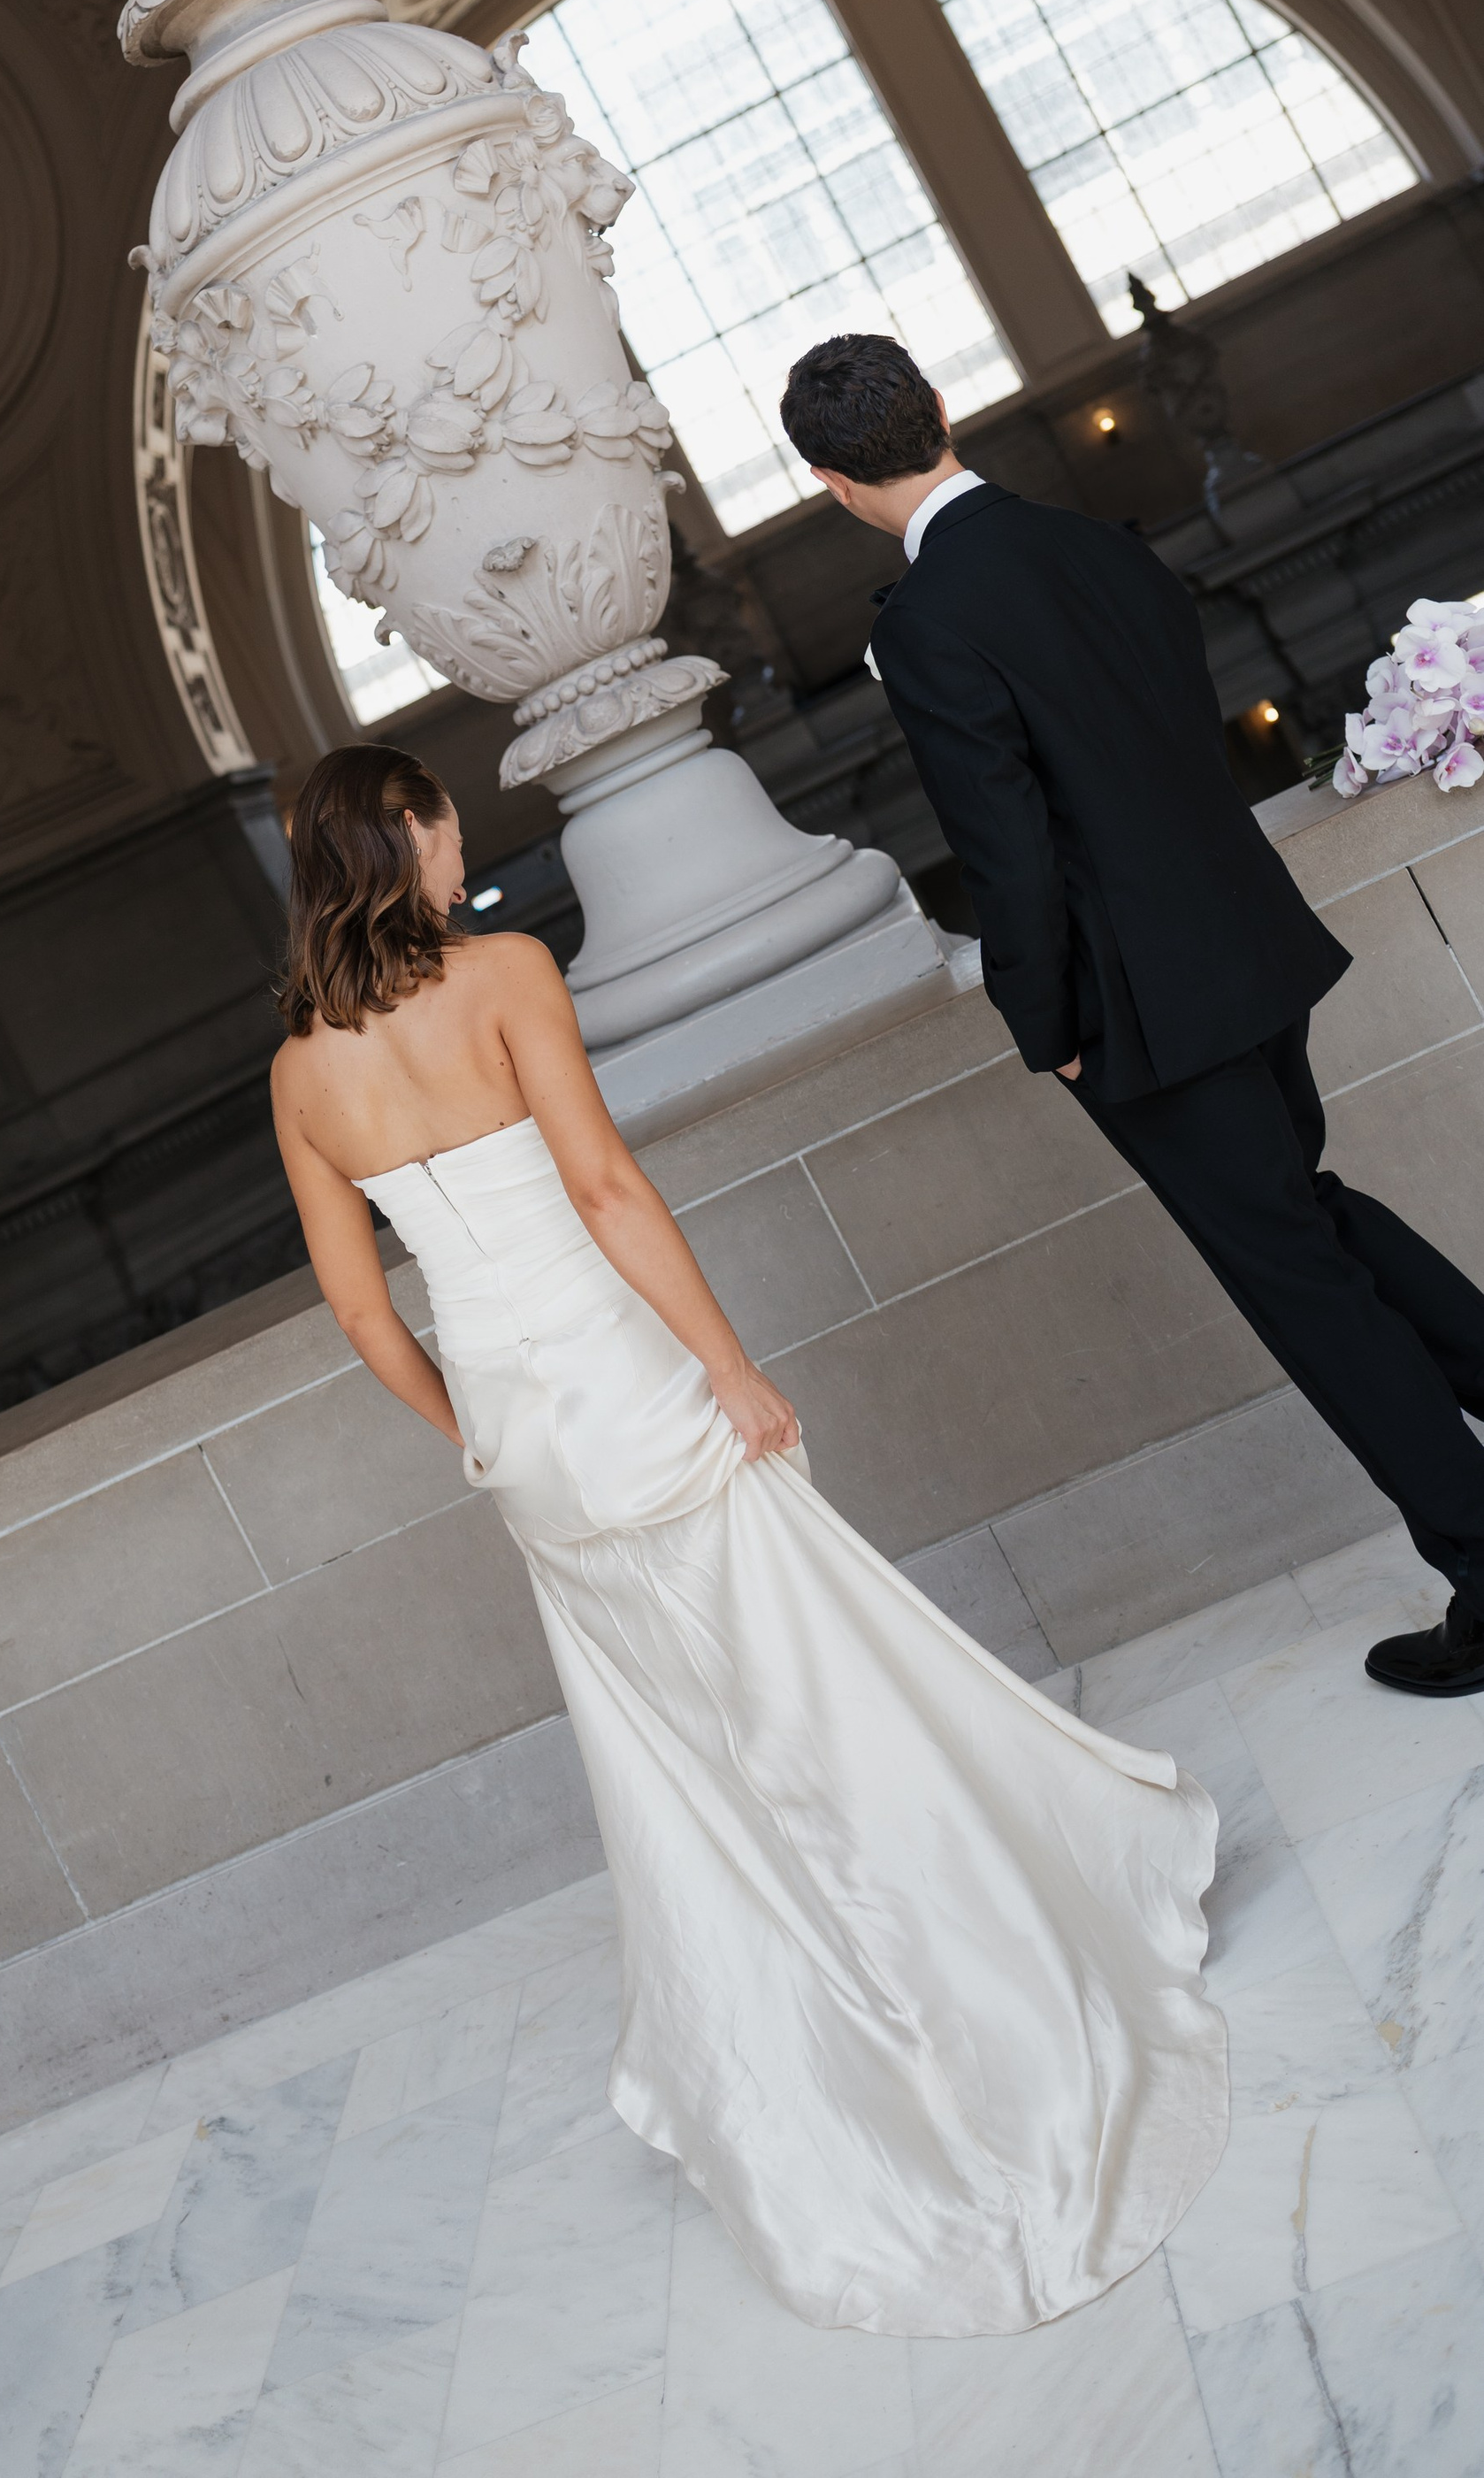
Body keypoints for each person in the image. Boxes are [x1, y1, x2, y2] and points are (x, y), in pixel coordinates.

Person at [271, 742, 1226, 2336]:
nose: (458, 845)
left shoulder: (303, 1072)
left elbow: (366, 1313)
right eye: (443, 821)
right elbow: (602, 1185)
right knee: (814, 1688)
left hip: (526, 1443)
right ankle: (968, 1976)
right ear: (411, 832)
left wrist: (475, 1435)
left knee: (690, 1754)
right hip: (626, 1386)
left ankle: (788, 2058)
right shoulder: (503, 970)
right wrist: (728, 1364)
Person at [781, 330, 1484, 1703]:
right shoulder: (1099, 547)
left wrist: (1045, 1023)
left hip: (1142, 1007)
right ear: (940, 410)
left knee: (1302, 1279)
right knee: (1314, 1220)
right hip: (1243, 946)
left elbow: (1010, 847)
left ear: (828, 484)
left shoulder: (923, 627)